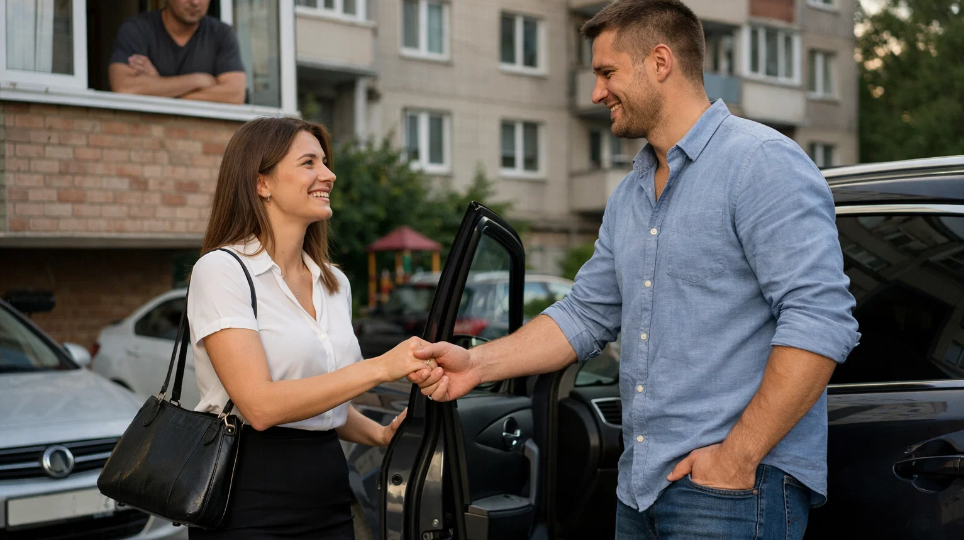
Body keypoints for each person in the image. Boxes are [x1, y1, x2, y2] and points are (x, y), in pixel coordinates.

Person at [410, 1, 860, 538]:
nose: (596, 92)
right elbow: (584, 314)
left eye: (607, 72)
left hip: (734, 491)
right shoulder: (630, 193)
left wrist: (736, 458)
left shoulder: (761, 163)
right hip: (639, 489)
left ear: (660, 62)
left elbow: (820, 321)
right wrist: (476, 365)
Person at [186, 117, 438, 539]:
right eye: (309, 162)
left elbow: (321, 401)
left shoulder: (333, 283)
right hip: (247, 494)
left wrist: (378, 434)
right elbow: (261, 407)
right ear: (261, 183)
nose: (329, 174)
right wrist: (381, 367)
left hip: (327, 488)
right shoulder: (222, 271)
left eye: (325, 161)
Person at [108, 0, 246, 104]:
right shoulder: (137, 29)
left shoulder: (221, 33)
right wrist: (199, 80)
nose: (195, 2)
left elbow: (235, 95)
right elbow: (124, 87)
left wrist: (158, 87)